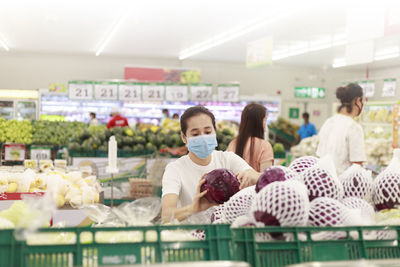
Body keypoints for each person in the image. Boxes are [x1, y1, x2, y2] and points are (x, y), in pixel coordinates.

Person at [161, 106, 261, 222]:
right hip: (191, 236)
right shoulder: (175, 169)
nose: (203, 137)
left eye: (208, 132)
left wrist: (252, 176)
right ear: (184, 137)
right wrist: (193, 208)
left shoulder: (228, 159)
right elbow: (166, 216)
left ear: (215, 132)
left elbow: (258, 177)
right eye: (195, 134)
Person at [316, 83, 366, 175]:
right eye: (363, 100)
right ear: (357, 100)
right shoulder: (354, 128)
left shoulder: (329, 122)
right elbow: (356, 166)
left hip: (323, 181)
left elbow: (319, 155)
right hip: (342, 185)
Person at [227, 103, 274, 172]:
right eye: (265, 120)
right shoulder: (265, 146)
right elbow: (265, 178)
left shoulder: (233, 143)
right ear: (259, 122)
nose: (265, 124)